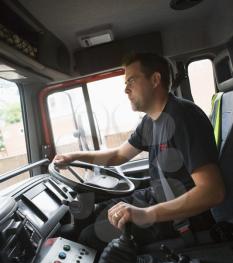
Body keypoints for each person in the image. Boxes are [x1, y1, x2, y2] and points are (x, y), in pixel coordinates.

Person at [54, 52, 225, 251]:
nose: (126, 90)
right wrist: (74, 157)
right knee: (90, 213)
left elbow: (212, 192)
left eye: (131, 81)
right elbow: (118, 155)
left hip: (184, 218)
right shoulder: (150, 122)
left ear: (155, 80)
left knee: (89, 236)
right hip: (158, 196)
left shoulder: (184, 118)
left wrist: (146, 213)